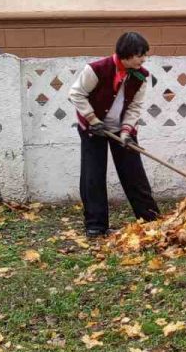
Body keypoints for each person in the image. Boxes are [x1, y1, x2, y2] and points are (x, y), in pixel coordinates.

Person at [68, 32, 160, 239]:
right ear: (127, 53)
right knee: (93, 174)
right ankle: (96, 226)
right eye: (140, 55)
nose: (144, 59)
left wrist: (127, 131)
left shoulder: (141, 76)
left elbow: (135, 107)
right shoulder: (96, 69)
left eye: (145, 55)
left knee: (134, 173)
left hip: (121, 129)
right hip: (93, 128)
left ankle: (151, 219)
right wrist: (93, 120)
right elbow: (76, 93)